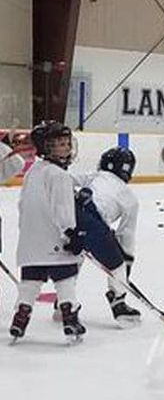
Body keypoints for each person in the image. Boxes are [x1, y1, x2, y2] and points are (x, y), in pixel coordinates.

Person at [10, 122, 86, 342]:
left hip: (30, 242)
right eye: (59, 144)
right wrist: (71, 233)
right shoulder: (59, 175)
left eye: (66, 143)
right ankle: (70, 318)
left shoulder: (33, 171)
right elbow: (62, 209)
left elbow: (22, 205)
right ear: (46, 148)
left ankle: (20, 317)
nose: (66, 147)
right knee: (66, 278)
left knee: (30, 282)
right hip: (54, 241)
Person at [77, 147, 142, 325]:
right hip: (93, 225)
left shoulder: (95, 176)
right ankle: (118, 304)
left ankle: (63, 305)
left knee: (76, 254)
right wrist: (125, 259)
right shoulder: (130, 198)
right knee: (118, 266)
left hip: (70, 215)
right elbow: (126, 235)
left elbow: (66, 180)